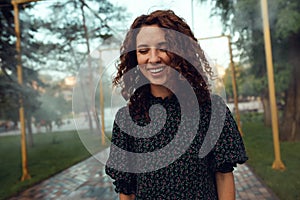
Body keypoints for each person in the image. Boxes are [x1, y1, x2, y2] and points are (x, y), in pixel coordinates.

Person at [105, 10, 248, 200]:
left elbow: (223, 176)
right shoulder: (127, 118)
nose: (153, 58)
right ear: (134, 58)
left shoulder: (211, 109)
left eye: (163, 47)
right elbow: (127, 190)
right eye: (143, 50)